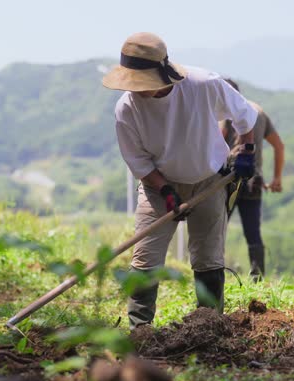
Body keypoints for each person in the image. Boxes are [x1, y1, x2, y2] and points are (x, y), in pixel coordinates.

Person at [102, 32, 258, 328]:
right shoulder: (126, 109)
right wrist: (166, 190)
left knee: (208, 258)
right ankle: (140, 329)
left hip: (209, 181)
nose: (136, 90)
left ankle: (209, 324)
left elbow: (245, 115)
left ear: (162, 72)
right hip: (158, 186)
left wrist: (247, 150)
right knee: (146, 258)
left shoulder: (202, 85)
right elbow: (138, 160)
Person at [221, 79, 286, 281]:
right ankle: (257, 279)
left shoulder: (226, 113)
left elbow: (219, 142)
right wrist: (276, 178)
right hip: (254, 181)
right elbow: (279, 146)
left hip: (229, 181)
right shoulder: (258, 111)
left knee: (217, 229)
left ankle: (214, 275)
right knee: (253, 233)